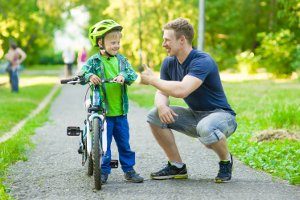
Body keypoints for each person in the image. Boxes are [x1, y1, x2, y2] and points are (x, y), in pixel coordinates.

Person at [140, 18, 237, 183]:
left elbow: (182, 90)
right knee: (154, 115)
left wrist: (152, 80)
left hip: (221, 116)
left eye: (167, 40)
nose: (163, 44)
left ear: (182, 40)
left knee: (206, 128)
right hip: (195, 116)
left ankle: (226, 161)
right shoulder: (169, 63)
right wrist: (162, 106)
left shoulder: (202, 61)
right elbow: (162, 92)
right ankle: (177, 166)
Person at [80, 19, 144, 184]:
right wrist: (89, 76)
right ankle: (103, 171)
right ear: (100, 42)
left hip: (120, 112)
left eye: (118, 42)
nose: (116, 45)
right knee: (104, 146)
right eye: (112, 42)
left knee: (124, 145)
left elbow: (132, 74)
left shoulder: (122, 60)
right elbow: (82, 73)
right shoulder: (94, 61)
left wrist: (124, 76)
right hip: (103, 112)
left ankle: (129, 170)